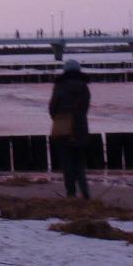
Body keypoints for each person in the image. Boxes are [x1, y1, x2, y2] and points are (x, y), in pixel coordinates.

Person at [48, 59, 92, 200]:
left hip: (63, 128)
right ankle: (85, 192)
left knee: (67, 162)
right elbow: (85, 108)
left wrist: (59, 118)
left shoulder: (60, 86)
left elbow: (52, 108)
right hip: (80, 128)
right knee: (80, 162)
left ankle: (71, 193)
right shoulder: (84, 87)